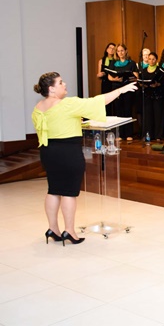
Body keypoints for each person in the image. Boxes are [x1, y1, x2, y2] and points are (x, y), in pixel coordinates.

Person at [31, 72, 137, 245]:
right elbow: (98, 101)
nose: (65, 84)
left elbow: (54, 124)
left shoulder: (38, 107)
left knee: (53, 190)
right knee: (69, 192)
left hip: (48, 152)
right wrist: (121, 90)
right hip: (67, 152)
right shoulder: (68, 104)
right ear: (51, 89)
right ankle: (69, 231)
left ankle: (53, 229)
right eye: (60, 82)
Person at [108, 43, 139, 140]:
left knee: (127, 110)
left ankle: (129, 134)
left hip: (128, 88)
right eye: (118, 51)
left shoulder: (131, 63)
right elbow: (109, 77)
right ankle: (120, 134)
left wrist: (129, 76)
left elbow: (136, 77)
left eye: (122, 50)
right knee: (118, 111)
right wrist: (116, 79)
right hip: (116, 88)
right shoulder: (113, 63)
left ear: (126, 51)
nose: (120, 53)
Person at [140, 52, 164, 140]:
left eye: (153, 59)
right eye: (149, 59)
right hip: (147, 94)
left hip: (157, 94)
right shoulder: (144, 70)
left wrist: (158, 84)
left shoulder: (160, 70)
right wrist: (142, 84)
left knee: (158, 115)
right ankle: (148, 135)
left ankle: (158, 135)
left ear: (156, 60)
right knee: (148, 116)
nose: (151, 61)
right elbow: (140, 80)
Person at [97, 42, 116, 116]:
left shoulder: (116, 60)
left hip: (114, 83)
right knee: (106, 103)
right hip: (105, 83)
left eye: (113, 49)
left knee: (114, 103)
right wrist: (100, 74)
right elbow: (98, 74)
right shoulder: (102, 60)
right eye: (110, 48)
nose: (111, 50)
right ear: (106, 49)